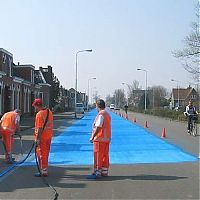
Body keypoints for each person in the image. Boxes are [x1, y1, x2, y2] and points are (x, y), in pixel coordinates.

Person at [87, 99, 111, 179]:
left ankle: (97, 172)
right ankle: (104, 171)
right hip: (106, 139)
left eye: (96, 106)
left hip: (99, 139)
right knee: (104, 156)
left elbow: (98, 127)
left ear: (98, 106)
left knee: (97, 156)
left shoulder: (101, 115)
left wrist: (93, 137)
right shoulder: (107, 114)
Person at [32, 98, 53, 177]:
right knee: (46, 153)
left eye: (35, 106)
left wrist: (37, 139)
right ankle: (44, 168)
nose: (35, 108)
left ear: (38, 106)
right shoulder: (49, 112)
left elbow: (39, 128)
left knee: (41, 153)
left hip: (42, 137)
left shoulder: (39, 114)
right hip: (49, 136)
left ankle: (43, 170)